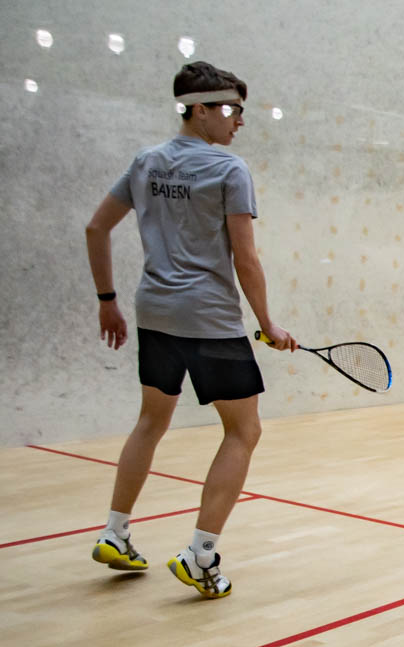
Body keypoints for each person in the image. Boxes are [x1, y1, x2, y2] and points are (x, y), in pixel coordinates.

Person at [85, 61, 297, 599]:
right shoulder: (230, 169)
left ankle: (114, 533)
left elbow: (96, 227)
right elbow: (246, 258)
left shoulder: (146, 162)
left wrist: (108, 301)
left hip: (154, 313)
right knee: (243, 431)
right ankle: (201, 556)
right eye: (232, 110)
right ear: (199, 110)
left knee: (150, 421)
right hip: (209, 320)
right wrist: (267, 323)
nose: (239, 121)